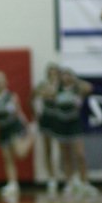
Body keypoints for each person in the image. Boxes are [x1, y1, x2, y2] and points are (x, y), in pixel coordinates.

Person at [0, 70, 34, 203]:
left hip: (15, 126)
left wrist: (27, 126)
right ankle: (13, 184)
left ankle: (33, 136)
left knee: (20, 153)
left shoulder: (12, 96)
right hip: (2, 129)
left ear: (5, 82)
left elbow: (19, 112)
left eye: (2, 79)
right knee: (7, 158)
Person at [52, 67, 98, 199]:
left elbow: (89, 87)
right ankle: (70, 182)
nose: (65, 77)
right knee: (65, 155)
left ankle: (85, 182)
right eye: (64, 75)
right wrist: (55, 82)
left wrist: (75, 80)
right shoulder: (57, 89)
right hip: (61, 124)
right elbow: (46, 93)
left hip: (74, 124)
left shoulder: (78, 89)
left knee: (80, 154)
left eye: (68, 74)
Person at [31, 62, 61, 196]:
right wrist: (36, 114)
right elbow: (32, 96)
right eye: (51, 72)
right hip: (47, 119)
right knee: (47, 148)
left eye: (55, 72)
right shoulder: (43, 85)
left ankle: (66, 176)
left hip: (60, 119)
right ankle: (51, 177)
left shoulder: (62, 86)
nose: (53, 74)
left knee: (63, 147)